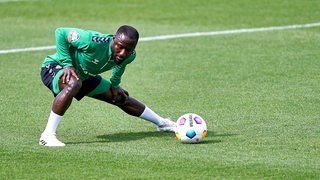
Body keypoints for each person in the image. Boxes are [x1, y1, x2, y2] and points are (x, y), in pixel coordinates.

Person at [39, 25, 176, 147]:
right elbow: (61, 32)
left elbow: (119, 65)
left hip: (85, 76)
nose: (123, 53)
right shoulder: (91, 40)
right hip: (55, 67)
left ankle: (162, 123)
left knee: (120, 97)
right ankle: (47, 136)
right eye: (120, 46)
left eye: (128, 49)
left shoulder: (130, 55)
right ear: (114, 39)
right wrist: (67, 64)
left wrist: (115, 85)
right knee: (74, 83)